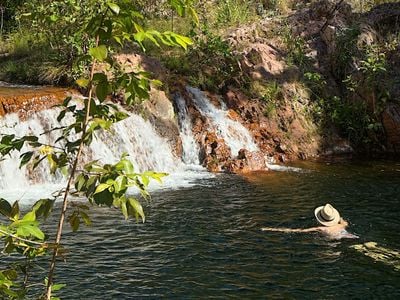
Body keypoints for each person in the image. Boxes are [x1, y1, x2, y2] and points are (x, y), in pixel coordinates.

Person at [261, 203, 359, 239]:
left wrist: (271, 229)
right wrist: (338, 219)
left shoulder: (320, 228)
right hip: (347, 234)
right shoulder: (341, 225)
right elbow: (344, 221)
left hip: (336, 240)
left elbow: (297, 231)